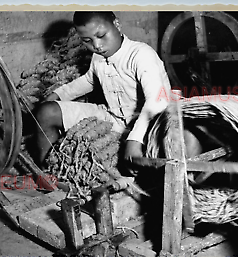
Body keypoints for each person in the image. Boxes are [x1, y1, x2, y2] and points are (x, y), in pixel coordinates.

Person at [34, 11, 171, 175]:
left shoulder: (141, 54)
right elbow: (89, 80)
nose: (97, 45)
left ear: (117, 24)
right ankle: (49, 173)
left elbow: (158, 101)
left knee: (139, 167)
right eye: (87, 41)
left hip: (147, 126)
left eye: (101, 35)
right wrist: (58, 95)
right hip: (112, 118)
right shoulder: (98, 57)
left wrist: (135, 140)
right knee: (46, 113)